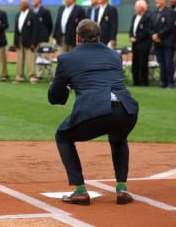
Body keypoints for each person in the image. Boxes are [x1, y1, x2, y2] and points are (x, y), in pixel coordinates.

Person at [48, 19, 139, 206]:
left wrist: (67, 87)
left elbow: (55, 97)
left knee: (63, 136)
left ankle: (80, 190)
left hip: (96, 110)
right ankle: (122, 188)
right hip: (127, 110)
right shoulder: (115, 56)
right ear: (100, 36)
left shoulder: (67, 58)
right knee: (118, 138)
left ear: (77, 38)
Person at [151, 0, 175, 89]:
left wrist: (158, 35)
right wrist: (153, 35)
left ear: (164, 1)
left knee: (168, 62)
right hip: (157, 42)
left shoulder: (169, 12)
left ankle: (170, 82)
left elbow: (169, 26)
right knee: (161, 62)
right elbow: (151, 25)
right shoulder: (154, 12)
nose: (156, 1)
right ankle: (163, 81)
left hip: (167, 42)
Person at [129, 0, 153, 86]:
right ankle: (136, 81)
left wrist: (136, 38)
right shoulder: (134, 17)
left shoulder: (148, 17)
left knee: (143, 63)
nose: (135, 8)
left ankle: (144, 81)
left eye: (136, 7)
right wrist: (131, 36)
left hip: (143, 44)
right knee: (135, 63)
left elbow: (146, 31)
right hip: (135, 44)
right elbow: (132, 29)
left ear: (142, 8)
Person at [13, 0, 36, 84]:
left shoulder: (32, 15)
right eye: (20, 3)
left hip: (29, 40)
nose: (20, 5)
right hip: (19, 39)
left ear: (27, 5)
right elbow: (16, 29)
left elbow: (35, 30)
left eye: (22, 4)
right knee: (19, 59)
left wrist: (33, 43)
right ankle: (19, 76)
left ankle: (32, 76)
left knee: (30, 59)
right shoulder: (18, 14)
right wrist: (15, 42)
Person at [31, 0, 54, 80]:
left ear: (40, 0)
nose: (33, 0)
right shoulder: (32, 11)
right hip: (34, 39)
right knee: (37, 57)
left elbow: (49, 25)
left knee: (46, 56)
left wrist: (46, 34)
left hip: (43, 38)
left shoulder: (45, 11)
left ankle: (50, 74)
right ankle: (39, 74)